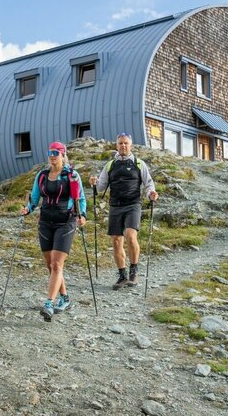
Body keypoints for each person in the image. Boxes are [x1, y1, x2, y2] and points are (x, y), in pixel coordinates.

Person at [21, 141, 87, 321]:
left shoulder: (72, 175)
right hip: (45, 222)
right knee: (51, 265)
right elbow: (34, 198)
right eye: (50, 152)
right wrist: (28, 209)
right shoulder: (42, 175)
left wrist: (83, 215)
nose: (52, 155)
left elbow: (80, 198)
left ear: (63, 155)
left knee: (57, 265)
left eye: (55, 153)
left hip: (66, 221)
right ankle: (65, 298)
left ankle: (49, 304)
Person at [90, 133, 158, 290]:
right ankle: (122, 276)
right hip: (115, 206)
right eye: (120, 143)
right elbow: (100, 188)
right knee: (116, 241)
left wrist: (151, 194)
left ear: (131, 145)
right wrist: (94, 183)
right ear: (116, 145)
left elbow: (148, 184)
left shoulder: (139, 164)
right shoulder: (110, 165)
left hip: (133, 204)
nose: (123, 146)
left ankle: (134, 270)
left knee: (130, 236)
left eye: (126, 143)